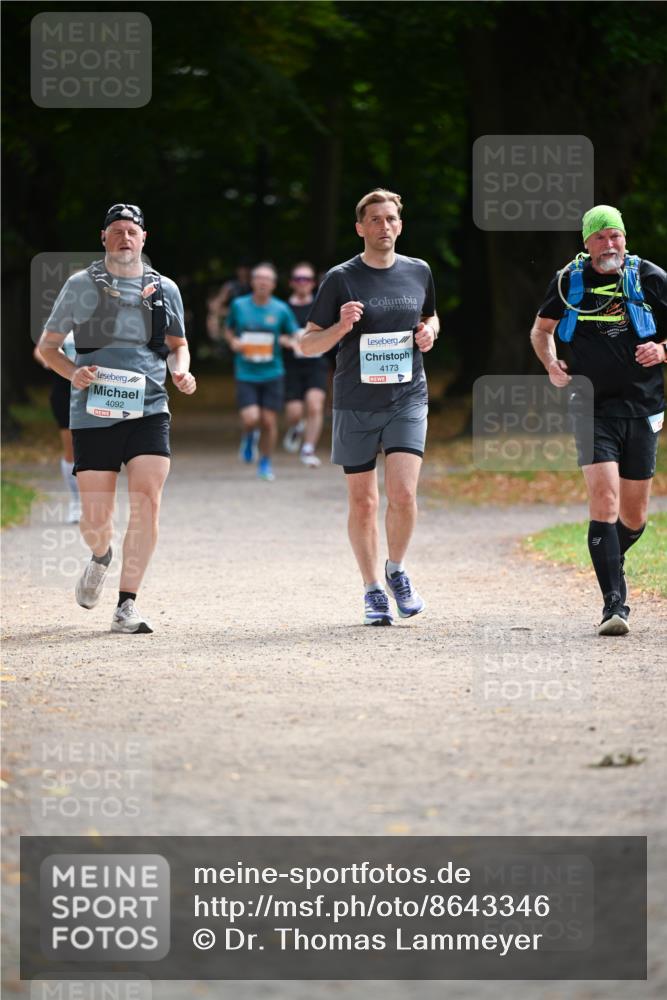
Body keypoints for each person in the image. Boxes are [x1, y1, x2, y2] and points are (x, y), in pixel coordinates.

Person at [37, 203, 197, 634]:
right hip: (92, 412)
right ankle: (101, 556)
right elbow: (47, 348)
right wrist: (74, 373)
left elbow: (178, 343)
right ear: (104, 238)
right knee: (95, 519)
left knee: (147, 501)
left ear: (144, 239)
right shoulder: (79, 286)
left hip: (149, 409)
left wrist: (181, 369)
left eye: (133, 231)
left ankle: (126, 605)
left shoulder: (165, 289)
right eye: (117, 231)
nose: (125, 237)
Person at [301, 188, 438, 625]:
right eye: (375, 220)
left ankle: (396, 570)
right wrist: (341, 326)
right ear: (360, 227)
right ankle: (372, 590)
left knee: (403, 493)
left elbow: (431, 316)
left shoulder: (419, 271)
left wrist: (430, 332)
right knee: (363, 502)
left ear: (401, 224)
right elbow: (307, 344)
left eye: (391, 219)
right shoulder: (341, 278)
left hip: (407, 398)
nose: (384, 226)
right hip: (356, 402)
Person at [530, 205, 666, 636]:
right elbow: (541, 330)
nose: (610, 245)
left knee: (634, 517)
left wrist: (662, 351)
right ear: (586, 243)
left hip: (644, 406)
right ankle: (614, 605)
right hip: (589, 406)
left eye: (616, 237)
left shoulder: (650, 278)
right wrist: (551, 364)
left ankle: (610, 558)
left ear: (625, 239)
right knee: (603, 502)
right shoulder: (569, 282)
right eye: (601, 238)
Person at [225, 262, 299, 481]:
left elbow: (292, 334)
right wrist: (233, 342)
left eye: (267, 279)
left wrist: (286, 340)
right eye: (259, 278)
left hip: (272, 372)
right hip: (246, 371)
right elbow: (228, 330)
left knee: (268, 421)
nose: (262, 282)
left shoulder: (281, 309)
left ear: (274, 284)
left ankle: (265, 462)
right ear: (252, 281)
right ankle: (249, 435)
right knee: (251, 418)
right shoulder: (239, 305)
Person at [282, 262, 328, 467]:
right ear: (292, 282)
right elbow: (274, 334)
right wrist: (287, 342)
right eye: (299, 279)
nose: (303, 283)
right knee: (294, 412)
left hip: (316, 363)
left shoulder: (321, 305)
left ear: (313, 283)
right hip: (291, 365)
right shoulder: (284, 308)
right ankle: (297, 426)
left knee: (315, 404)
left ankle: (308, 449)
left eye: (307, 279)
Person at [33, 333, 81, 522]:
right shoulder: (63, 319)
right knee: (71, 449)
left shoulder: (101, 318)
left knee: (96, 448)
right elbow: (39, 350)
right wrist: (50, 359)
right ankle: (77, 502)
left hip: (96, 392)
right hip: (65, 391)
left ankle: (96, 501)